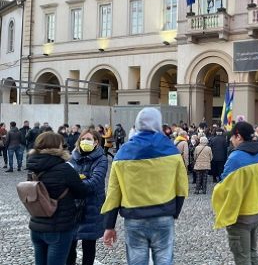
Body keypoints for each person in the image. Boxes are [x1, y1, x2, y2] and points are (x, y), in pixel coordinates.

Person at [101, 107, 188, 265]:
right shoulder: (171, 150)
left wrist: (109, 225)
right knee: (164, 260)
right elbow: (182, 188)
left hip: (134, 218)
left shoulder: (123, 153)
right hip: (163, 215)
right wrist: (173, 212)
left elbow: (113, 193)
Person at [211, 121, 258, 264]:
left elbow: (225, 187)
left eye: (231, 137)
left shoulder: (236, 157)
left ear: (238, 136)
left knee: (242, 257)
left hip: (241, 216)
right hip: (257, 211)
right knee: (252, 253)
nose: (230, 140)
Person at [26, 132, 88, 265]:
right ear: (57, 146)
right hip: (58, 226)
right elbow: (82, 192)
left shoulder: (32, 168)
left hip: (36, 226)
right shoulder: (65, 169)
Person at [67, 130, 108, 265]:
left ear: (96, 142)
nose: (85, 141)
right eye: (83, 139)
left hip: (92, 205)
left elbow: (94, 182)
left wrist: (74, 183)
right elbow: (66, 178)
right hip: (73, 205)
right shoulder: (73, 157)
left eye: (89, 139)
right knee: (70, 244)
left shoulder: (101, 159)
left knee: (89, 244)